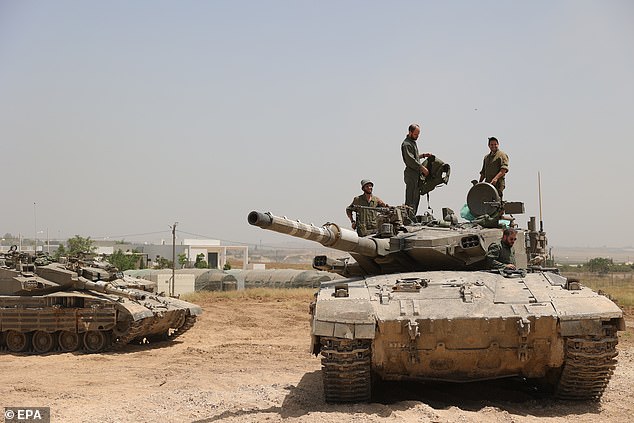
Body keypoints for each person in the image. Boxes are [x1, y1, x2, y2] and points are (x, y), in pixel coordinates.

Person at [401, 123, 432, 218]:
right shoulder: (406, 144)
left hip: (416, 174)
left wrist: (423, 155)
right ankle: (408, 219)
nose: (417, 136)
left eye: (418, 134)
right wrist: (422, 168)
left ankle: (412, 217)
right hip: (411, 174)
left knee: (416, 198)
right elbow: (410, 160)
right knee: (411, 198)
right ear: (410, 132)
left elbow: (414, 157)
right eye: (415, 134)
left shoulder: (412, 142)